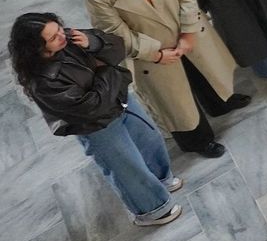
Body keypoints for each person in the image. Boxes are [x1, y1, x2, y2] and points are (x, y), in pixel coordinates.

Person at [85, 0, 246, 158]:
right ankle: (199, 141)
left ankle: (221, 103)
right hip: (152, 54)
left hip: (187, 35)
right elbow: (117, 34)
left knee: (205, 73)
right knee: (176, 101)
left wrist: (189, 33)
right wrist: (157, 54)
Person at [10, 13, 184, 226]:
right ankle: (152, 210)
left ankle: (160, 179)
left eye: (59, 29)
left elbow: (119, 48)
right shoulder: (44, 82)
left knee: (149, 139)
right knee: (126, 165)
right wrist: (108, 70)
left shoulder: (71, 38)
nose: (62, 36)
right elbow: (91, 107)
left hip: (119, 100)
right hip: (95, 125)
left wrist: (94, 42)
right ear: (37, 47)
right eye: (53, 37)